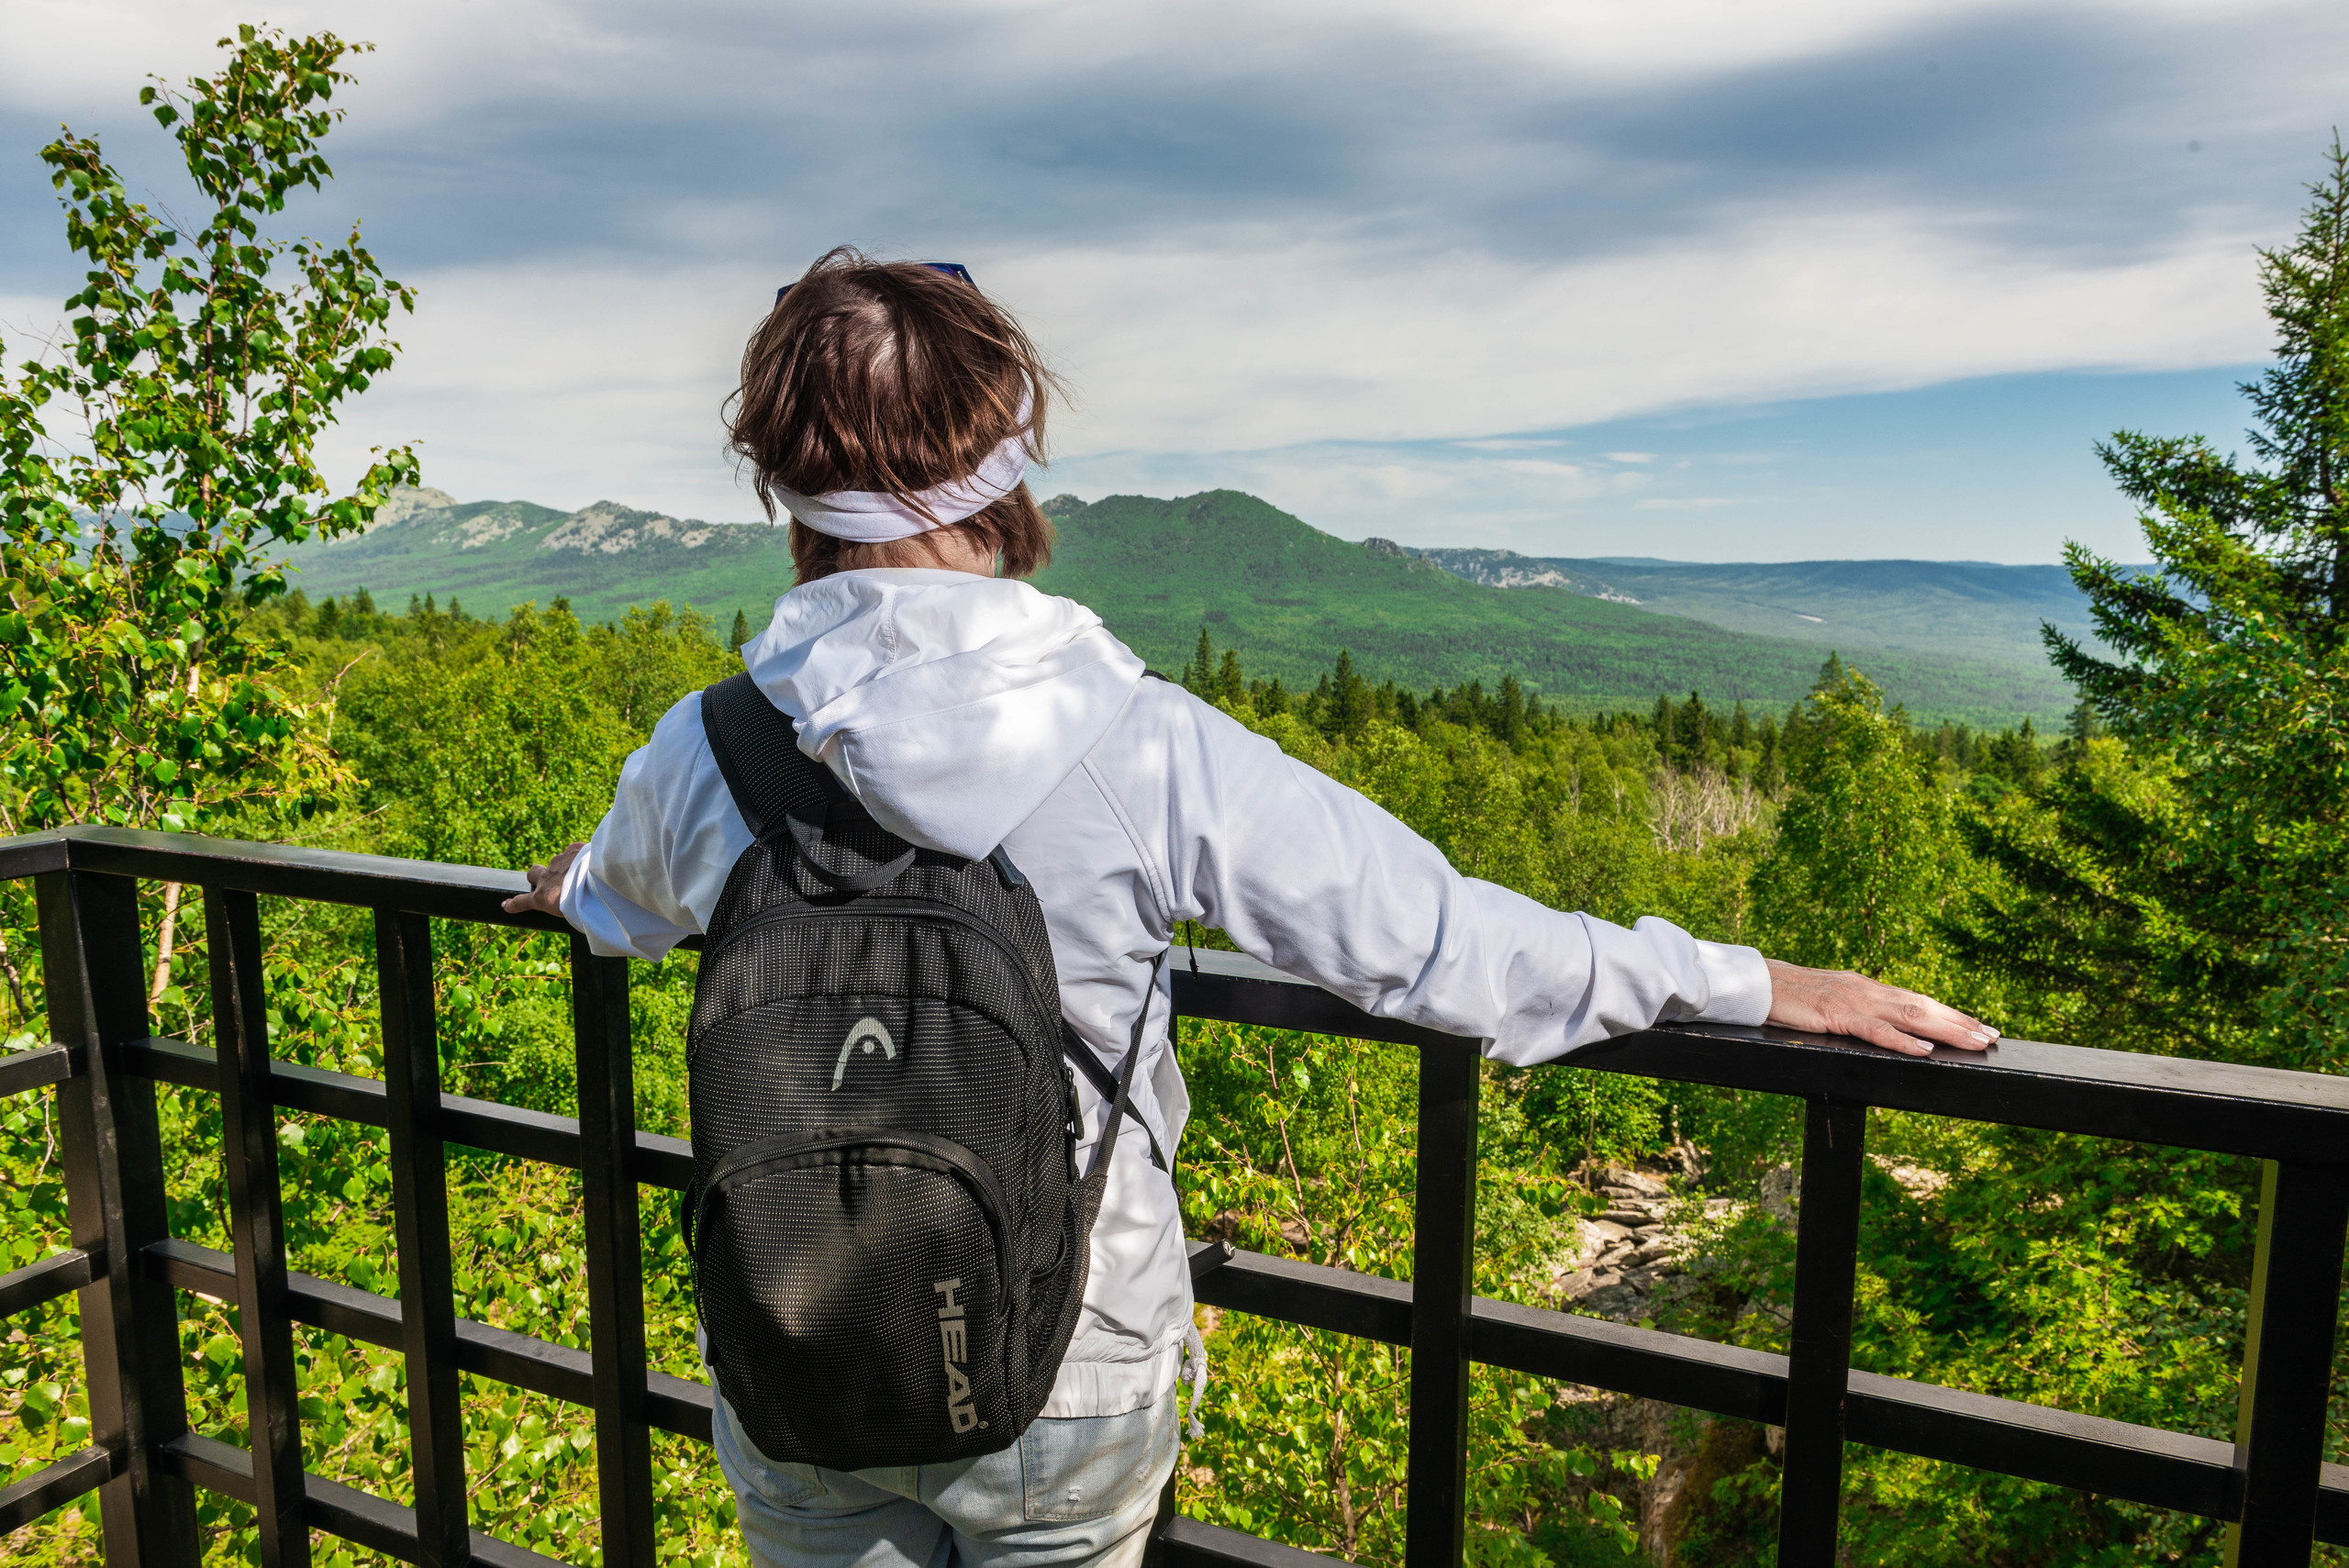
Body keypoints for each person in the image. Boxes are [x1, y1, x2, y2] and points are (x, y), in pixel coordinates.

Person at [503, 250, 1996, 1568]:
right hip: (1067, 1359)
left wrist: (574, 879)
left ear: (778, 481)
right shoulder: (1143, 742)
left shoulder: (711, 749)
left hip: (802, 1336)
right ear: (1006, 462)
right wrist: (1741, 978)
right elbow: (1442, 941)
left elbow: (620, 903)